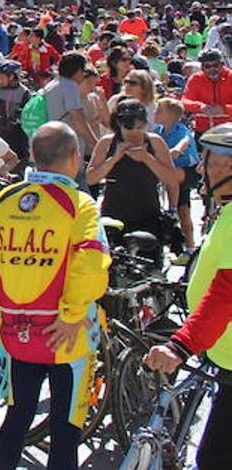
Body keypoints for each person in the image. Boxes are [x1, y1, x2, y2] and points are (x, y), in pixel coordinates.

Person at [0, 122, 111, 470]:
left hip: (15, 331)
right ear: (74, 157)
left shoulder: (3, 201)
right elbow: (92, 263)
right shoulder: (80, 204)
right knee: (65, 432)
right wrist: (71, 316)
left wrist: (1, 316)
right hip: (67, 336)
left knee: (16, 420)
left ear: (33, 157)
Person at [142, 122, 232, 468]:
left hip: (225, 355)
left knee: (214, 458)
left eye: (207, 161)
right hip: (220, 354)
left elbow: (226, 294)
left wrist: (180, 345)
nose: (200, 168)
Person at [86, 97, 182, 242]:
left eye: (139, 128)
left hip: (148, 216)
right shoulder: (107, 143)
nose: (134, 134)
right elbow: (90, 178)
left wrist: (147, 158)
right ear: (119, 125)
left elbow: (172, 180)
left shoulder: (155, 142)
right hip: (114, 216)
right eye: (128, 129)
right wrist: (113, 159)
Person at [154, 97, 201, 252]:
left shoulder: (181, 129)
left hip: (189, 171)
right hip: (173, 174)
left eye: (159, 110)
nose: (155, 112)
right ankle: (189, 247)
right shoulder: (158, 131)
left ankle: (171, 209)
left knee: (170, 176)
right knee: (184, 211)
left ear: (172, 115)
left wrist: (177, 150)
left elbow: (185, 141)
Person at [43, 52, 99, 157]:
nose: (83, 75)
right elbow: (78, 119)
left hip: (49, 143)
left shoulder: (53, 84)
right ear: (78, 70)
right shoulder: (70, 86)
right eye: (83, 71)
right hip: (65, 148)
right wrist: (97, 146)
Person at [182, 49, 232, 135]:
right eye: (207, 66)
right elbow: (185, 101)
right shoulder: (196, 79)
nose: (212, 69)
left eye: (215, 65)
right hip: (203, 131)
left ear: (222, 64)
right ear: (202, 67)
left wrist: (225, 109)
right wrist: (200, 107)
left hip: (228, 130)